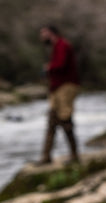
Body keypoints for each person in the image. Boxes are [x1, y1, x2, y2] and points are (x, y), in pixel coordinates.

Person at [38, 25, 80, 165]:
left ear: (51, 33)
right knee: (52, 120)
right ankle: (46, 157)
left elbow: (60, 65)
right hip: (57, 88)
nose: (41, 37)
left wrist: (48, 68)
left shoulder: (62, 45)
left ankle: (74, 156)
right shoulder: (57, 46)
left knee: (65, 119)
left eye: (43, 33)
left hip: (65, 86)